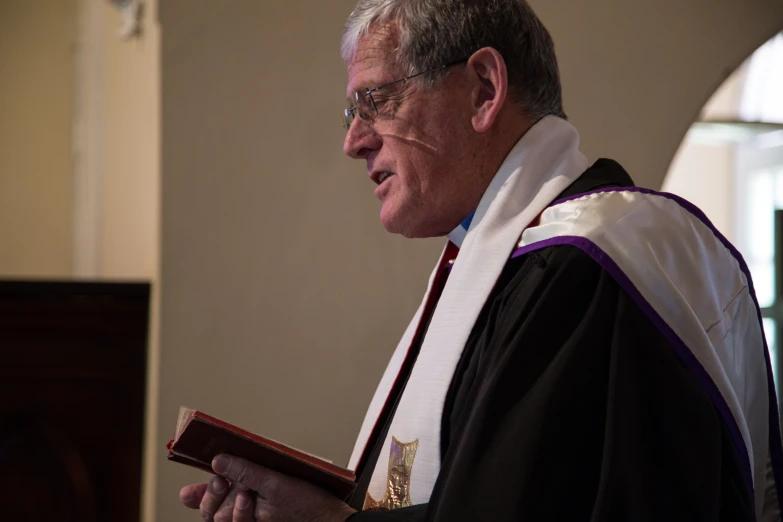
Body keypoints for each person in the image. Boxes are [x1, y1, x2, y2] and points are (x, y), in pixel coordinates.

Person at [180, 0, 783, 520]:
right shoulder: (506, 266)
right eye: (352, 111)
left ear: (484, 91)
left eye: (375, 101)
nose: (353, 141)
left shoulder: (591, 265)